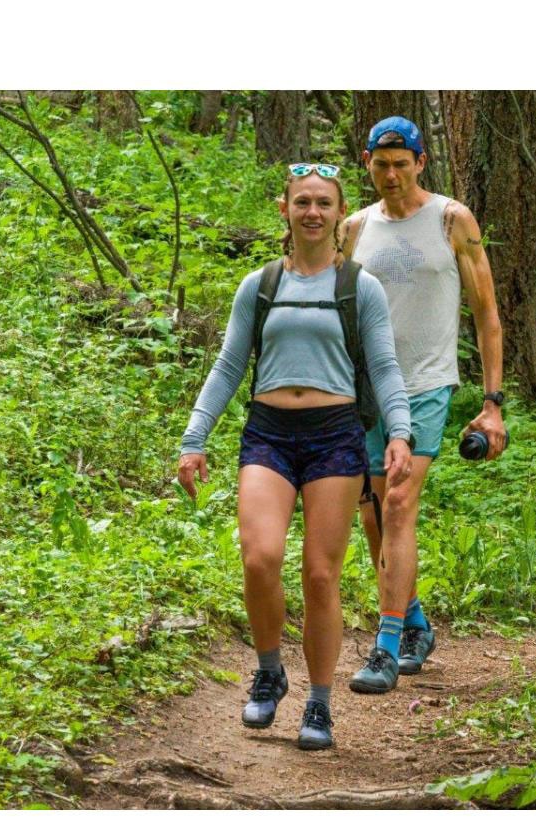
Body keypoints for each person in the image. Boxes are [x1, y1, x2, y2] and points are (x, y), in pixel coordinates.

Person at [178, 163, 413, 748]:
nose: (313, 212)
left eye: (323, 203)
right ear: (285, 209)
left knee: (320, 575)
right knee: (260, 558)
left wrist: (400, 433)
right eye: (302, 201)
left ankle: (319, 702)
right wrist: (193, 438)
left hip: (335, 436)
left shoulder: (360, 287)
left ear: (340, 213)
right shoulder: (259, 285)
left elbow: (384, 366)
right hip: (269, 433)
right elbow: (229, 366)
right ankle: (269, 671)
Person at [341, 116, 506, 692]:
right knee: (373, 514)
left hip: (427, 383)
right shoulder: (354, 228)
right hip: (366, 388)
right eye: (381, 165)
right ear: (368, 164)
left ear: (420, 162)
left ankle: (386, 647)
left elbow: (486, 313)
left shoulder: (451, 220)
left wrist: (492, 402)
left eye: (401, 164)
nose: (391, 175)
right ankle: (413, 621)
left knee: (399, 501)